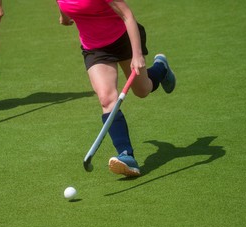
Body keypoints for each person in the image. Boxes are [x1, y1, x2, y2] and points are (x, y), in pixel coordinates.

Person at [56, 0, 176, 177]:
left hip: (124, 40)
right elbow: (64, 7)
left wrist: (137, 54)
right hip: (95, 50)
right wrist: (64, 18)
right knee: (106, 98)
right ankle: (126, 155)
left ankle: (161, 68)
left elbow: (127, 15)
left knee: (142, 90)